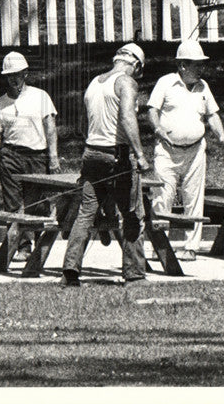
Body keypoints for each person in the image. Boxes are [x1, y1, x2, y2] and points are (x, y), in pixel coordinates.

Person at [62, 43, 150, 287]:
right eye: (139, 71)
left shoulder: (94, 83)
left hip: (91, 154)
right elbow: (127, 117)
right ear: (135, 64)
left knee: (85, 215)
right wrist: (140, 154)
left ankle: (70, 270)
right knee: (132, 214)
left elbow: (82, 125)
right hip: (117, 155)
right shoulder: (126, 83)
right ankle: (134, 275)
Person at [147, 39, 224, 261]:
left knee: (194, 198)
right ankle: (160, 245)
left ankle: (190, 247)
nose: (200, 69)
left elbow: (212, 115)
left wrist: (221, 136)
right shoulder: (165, 83)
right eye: (196, 64)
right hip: (167, 151)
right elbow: (152, 110)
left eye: (201, 64)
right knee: (162, 197)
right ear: (182, 65)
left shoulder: (203, 87)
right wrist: (157, 129)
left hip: (195, 151)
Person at [0, 51, 60, 260]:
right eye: (10, 75)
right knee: (13, 204)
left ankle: (40, 248)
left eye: (18, 74)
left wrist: (53, 156)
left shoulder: (40, 96)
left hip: (36, 155)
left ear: (25, 74)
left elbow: (50, 127)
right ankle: (23, 247)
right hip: (11, 155)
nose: (14, 79)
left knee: (38, 204)